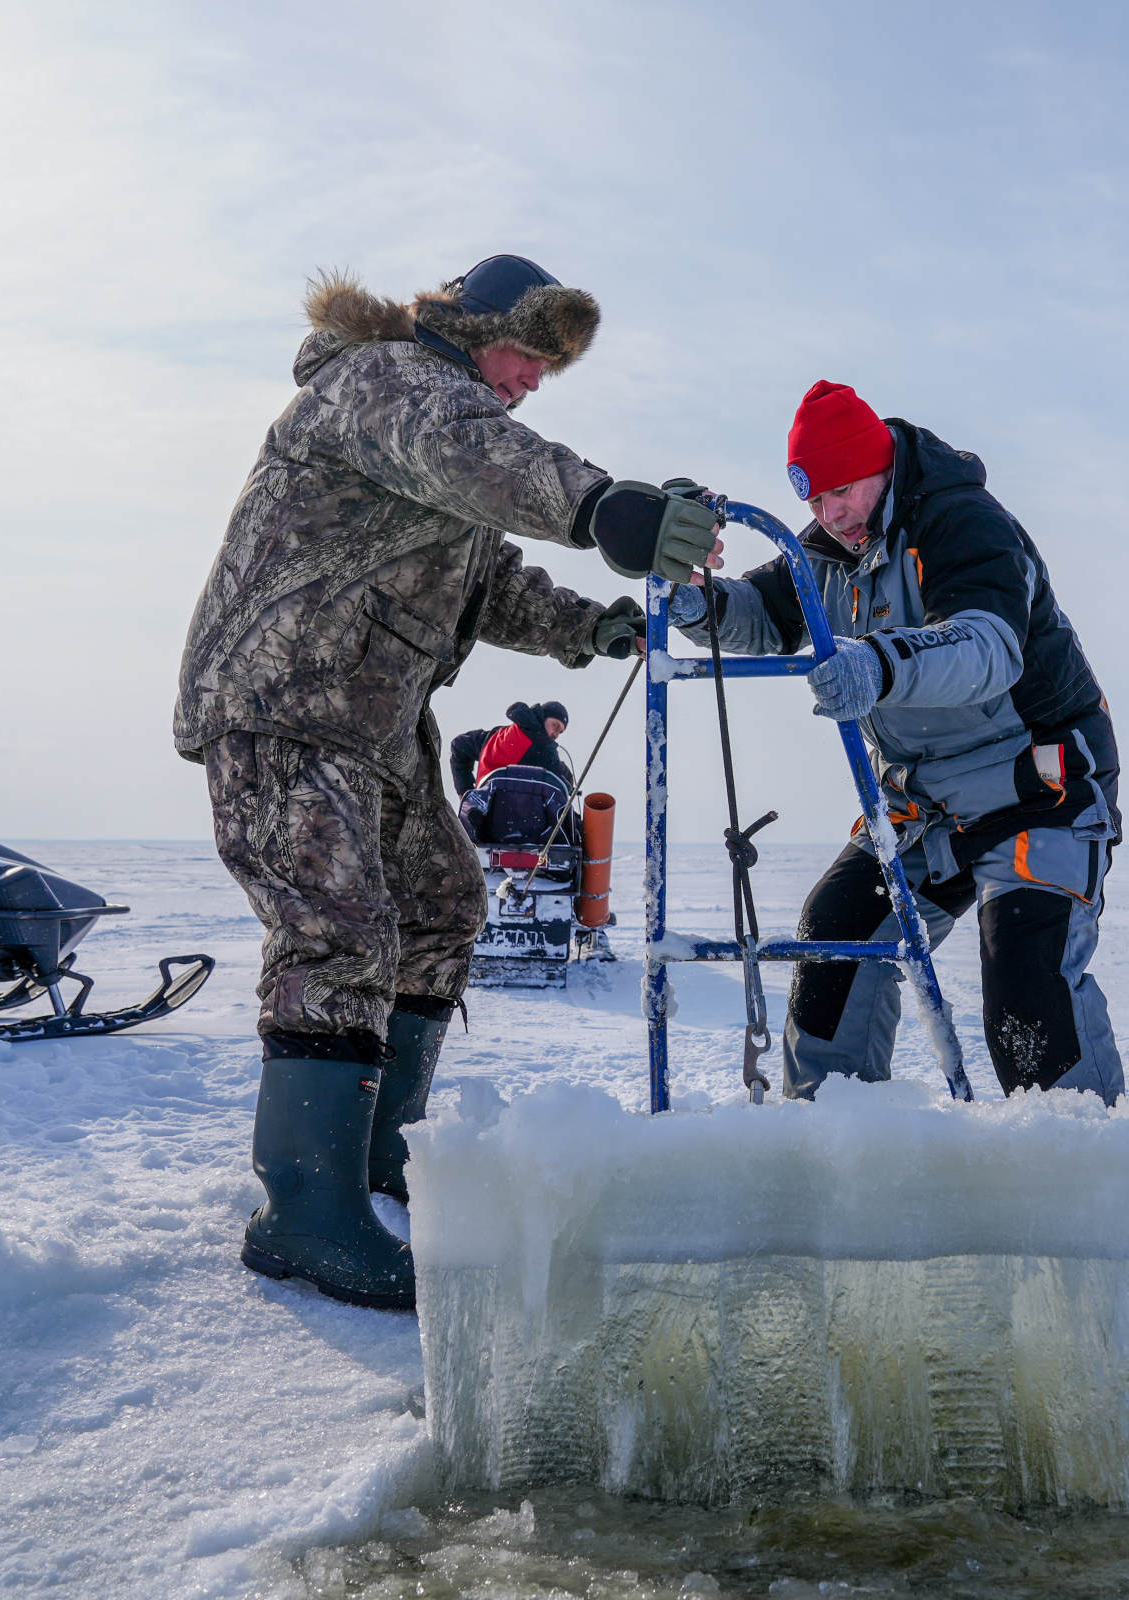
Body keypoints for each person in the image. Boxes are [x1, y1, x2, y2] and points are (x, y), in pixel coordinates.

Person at [174, 254, 723, 1309]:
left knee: (441, 906)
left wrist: (585, 626)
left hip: (372, 717)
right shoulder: (381, 382)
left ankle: (383, 1158)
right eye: (528, 356)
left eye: (549, 373)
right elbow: (474, 451)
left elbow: (488, 578)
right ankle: (302, 1211)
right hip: (285, 697)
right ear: (471, 328)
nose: (530, 383)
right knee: (337, 931)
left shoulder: (445, 435)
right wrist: (605, 507)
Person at [673, 380, 1124, 1106]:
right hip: (920, 803)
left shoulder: (960, 521)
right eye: (815, 501)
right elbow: (758, 613)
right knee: (835, 939)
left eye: (843, 491)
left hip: (1037, 785)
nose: (831, 514)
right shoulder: (824, 550)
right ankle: (836, 1152)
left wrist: (879, 664)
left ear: (880, 465)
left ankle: (1083, 1177)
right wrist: (695, 602)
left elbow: (988, 648)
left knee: (1023, 974)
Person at [451, 700, 571, 795]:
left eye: (560, 732)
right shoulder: (545, 749)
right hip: (519, 817)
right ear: (543, 716)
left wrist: (465, 791)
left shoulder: (496, 736)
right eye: (555, 726)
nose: (555, 734)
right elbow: (564, 781)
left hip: (483, 812)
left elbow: (459, 745)